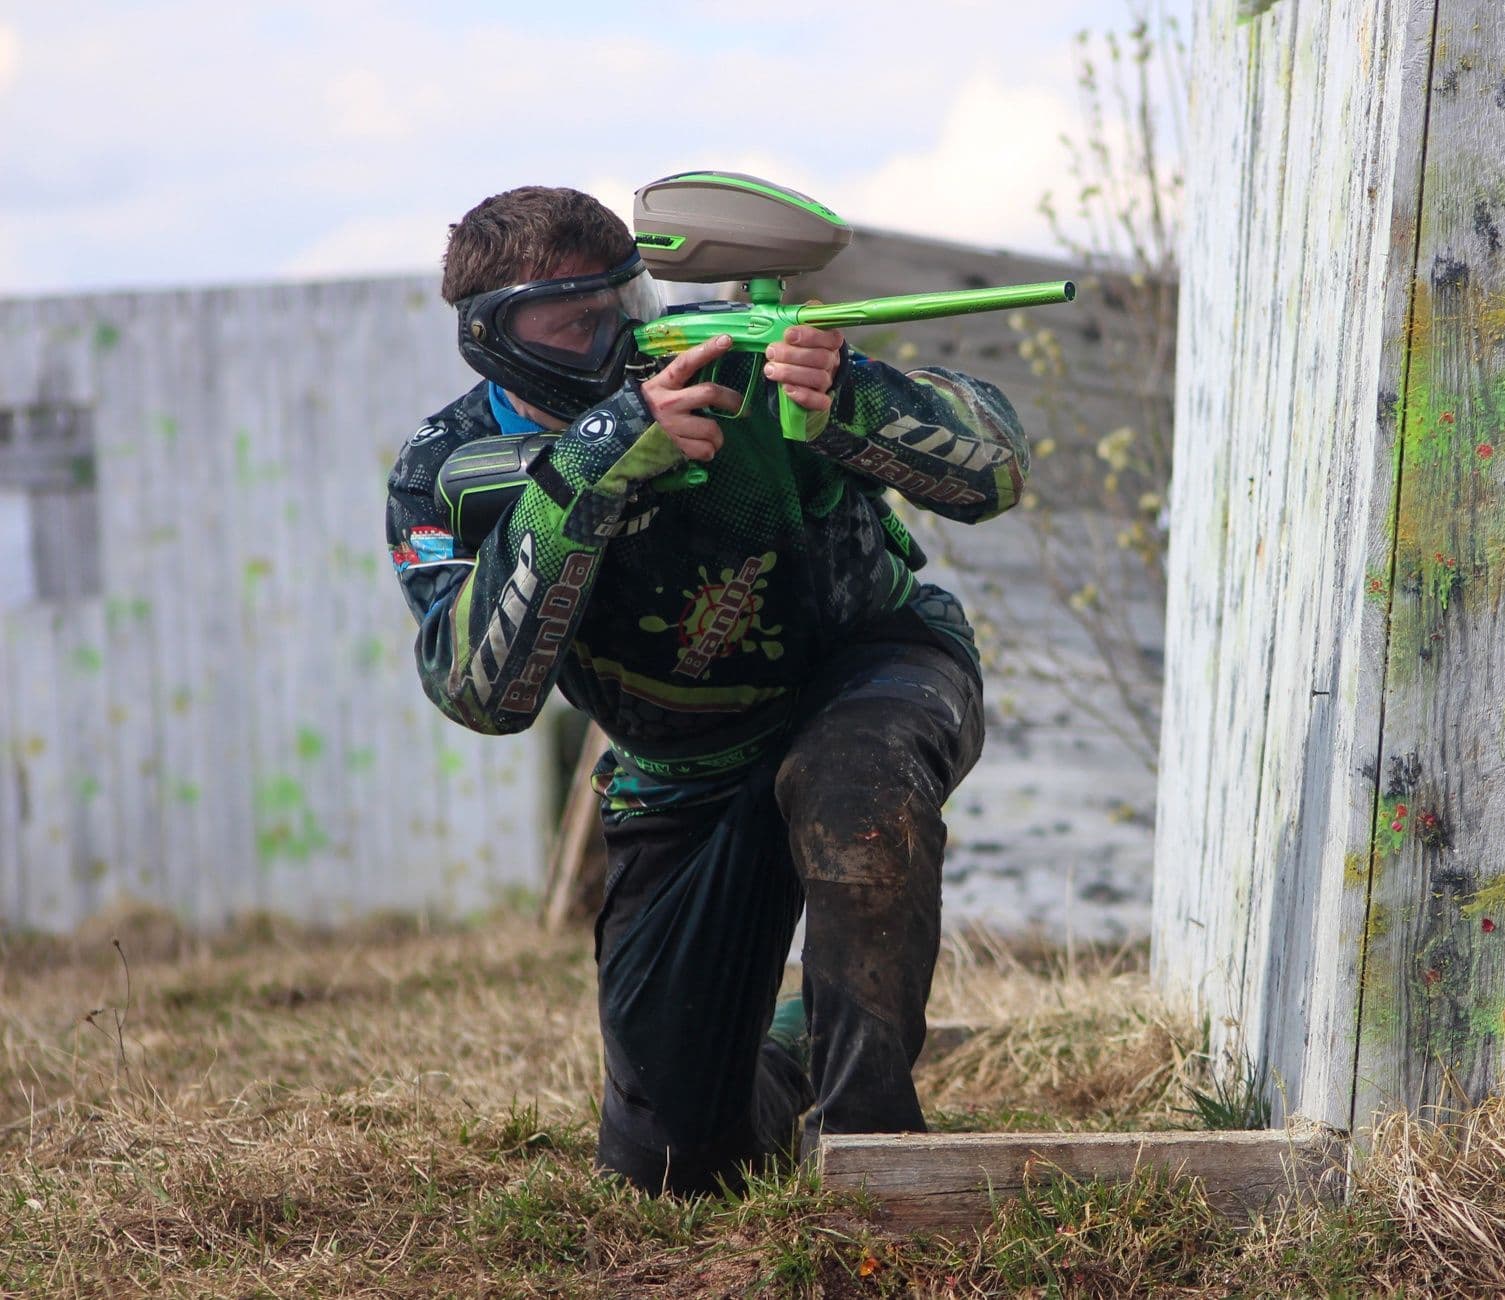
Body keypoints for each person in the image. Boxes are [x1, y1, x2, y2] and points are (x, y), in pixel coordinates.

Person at [384, 185, 1028, 1195]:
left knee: (855, 786)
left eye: (621, 306)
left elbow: (1000, 465)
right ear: (492, 338)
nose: (610, 342)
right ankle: (805, 1041)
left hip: (867, 668)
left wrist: (852, 401)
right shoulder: (442, 472)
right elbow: (480, 695)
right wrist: (591, 473)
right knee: (673, 1160)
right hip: (679, 763)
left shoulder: (729, 358)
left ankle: (873, 1159)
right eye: (570, 325)